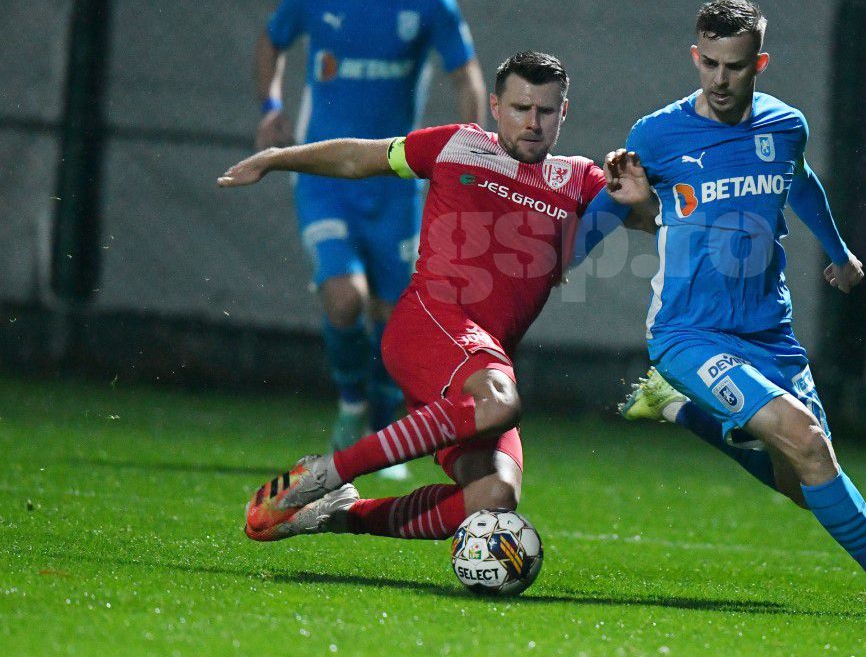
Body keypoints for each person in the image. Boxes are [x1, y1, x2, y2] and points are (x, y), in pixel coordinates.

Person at [583, 0, 866, 622]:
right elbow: (614, 219)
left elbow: (800, 182)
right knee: (809, 444)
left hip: (770, 335)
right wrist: (547, 261)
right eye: (710, 65)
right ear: (695, 58)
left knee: (807, 483)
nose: (721, 81)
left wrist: (839, 253)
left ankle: (679, 411)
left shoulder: (785, 127)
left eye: (736, 66)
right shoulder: (655, 135)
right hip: (688, 333)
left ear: (760, 61)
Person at [222, 52, 651, 544]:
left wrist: (641, 198)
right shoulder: (458, 145)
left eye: (545, 112)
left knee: (495, 494)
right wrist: (275, 158)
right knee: (499, 403)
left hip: (475, 363)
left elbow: (649, 219)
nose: (532, 123)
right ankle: (324, 474)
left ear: (564, 113)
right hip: (429, 325)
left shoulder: (577, 179)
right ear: (494, 105)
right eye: (519, 108)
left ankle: (338, 513)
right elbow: (358, 156)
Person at [253, 0, 487, 458]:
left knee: (392, 315)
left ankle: (384, 425)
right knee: (343, 300)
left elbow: (466, 75)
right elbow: (270, 42)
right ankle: (351, 403)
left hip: (395, 183)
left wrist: (473, 149)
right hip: (326, 179)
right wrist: (271, 107)